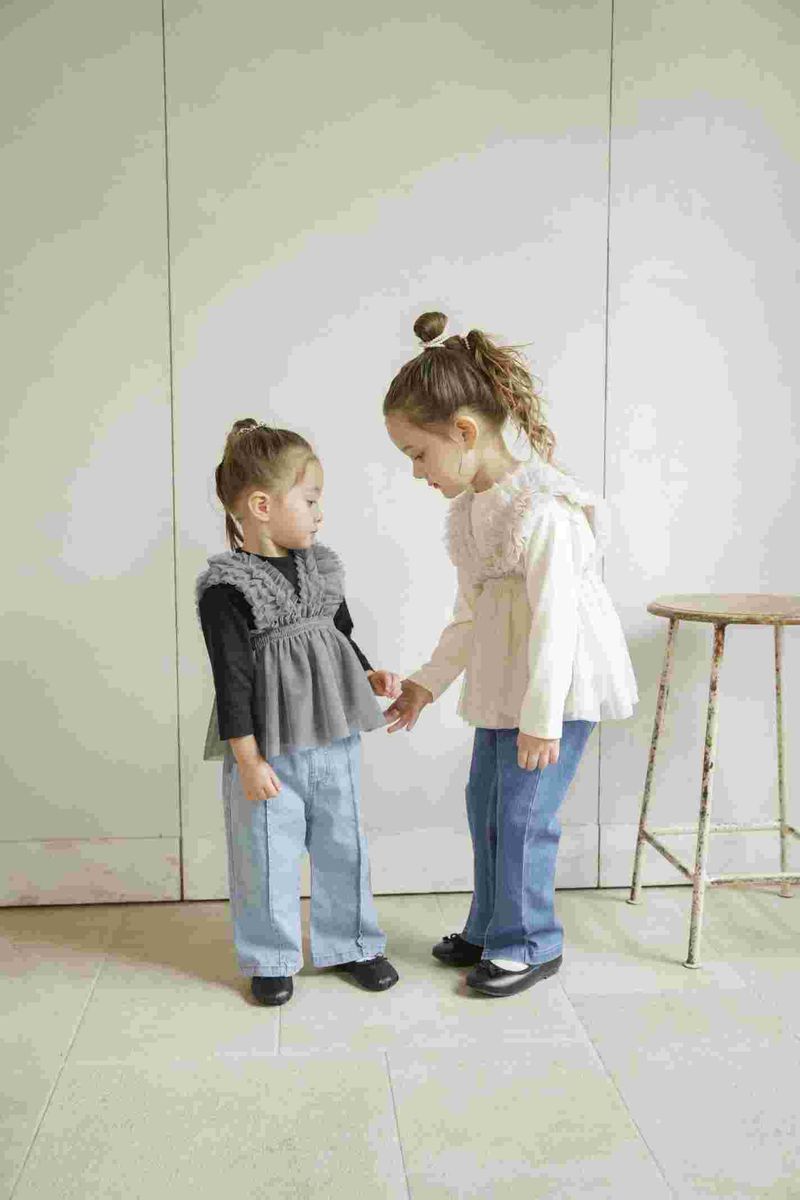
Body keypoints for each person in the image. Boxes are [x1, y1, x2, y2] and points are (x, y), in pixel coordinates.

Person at [382, 311, 638, 997]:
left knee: (524, 817)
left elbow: (557, 624)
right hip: (503, 685)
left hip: (556, 691)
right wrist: (426, 684)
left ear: (464, 432)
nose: (415, 472)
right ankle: (492, 926)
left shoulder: (546, 510)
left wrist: (542, 719)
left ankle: (529, 941)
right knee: (486, 806)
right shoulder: (470, 512)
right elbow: (470, 615)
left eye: (417, 454)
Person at [196, 420, 402, 1006]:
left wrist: (367, 673)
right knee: (265, 849)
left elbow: (340, 634)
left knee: (344, 842)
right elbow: (232, 680)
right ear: (262, 506)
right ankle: (271, 957)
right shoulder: (226, 590)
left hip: (334, 733)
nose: (319, 514)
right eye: (310, 501)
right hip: (269, 749)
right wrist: (248, 760)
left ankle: (353, 943)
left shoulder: (320, 568)